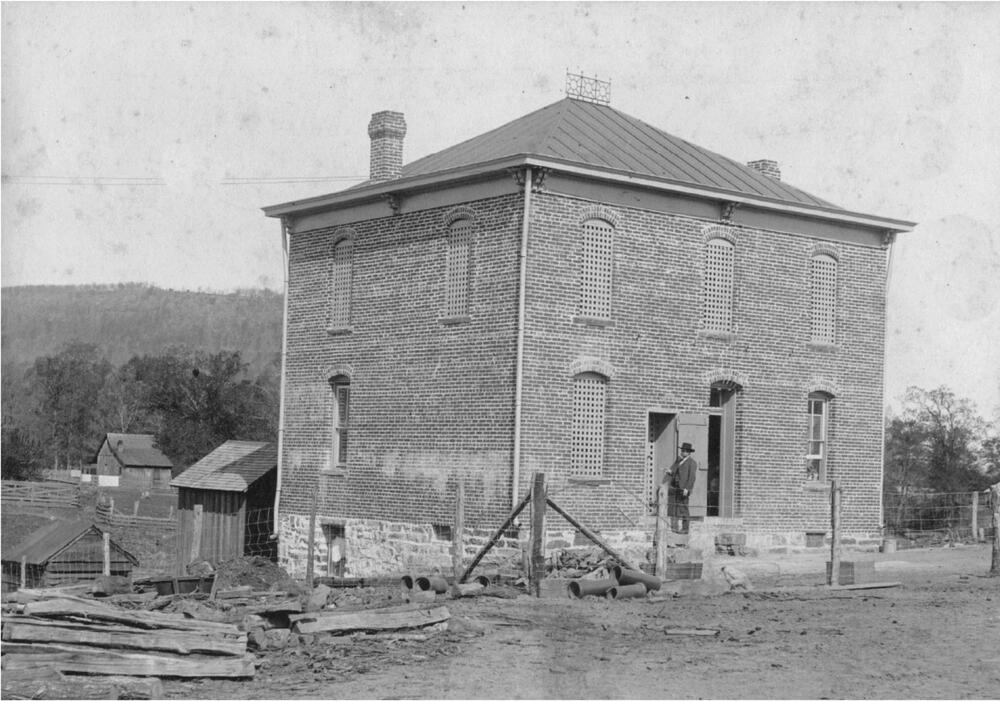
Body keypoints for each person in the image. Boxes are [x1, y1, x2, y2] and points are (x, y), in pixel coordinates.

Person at [664, 442, 697, 533]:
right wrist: (669, 472)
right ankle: (675, 528)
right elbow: (676, 472)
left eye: (685, 451)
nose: (683, 452)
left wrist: (687, 488)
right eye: (682, 450)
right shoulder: (679, 461)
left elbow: (691, 477)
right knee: (677, 507)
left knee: (684, 508)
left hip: (684, 489)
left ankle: (685, 528)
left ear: (689, 452)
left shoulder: (692, 463)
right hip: (676, 488)